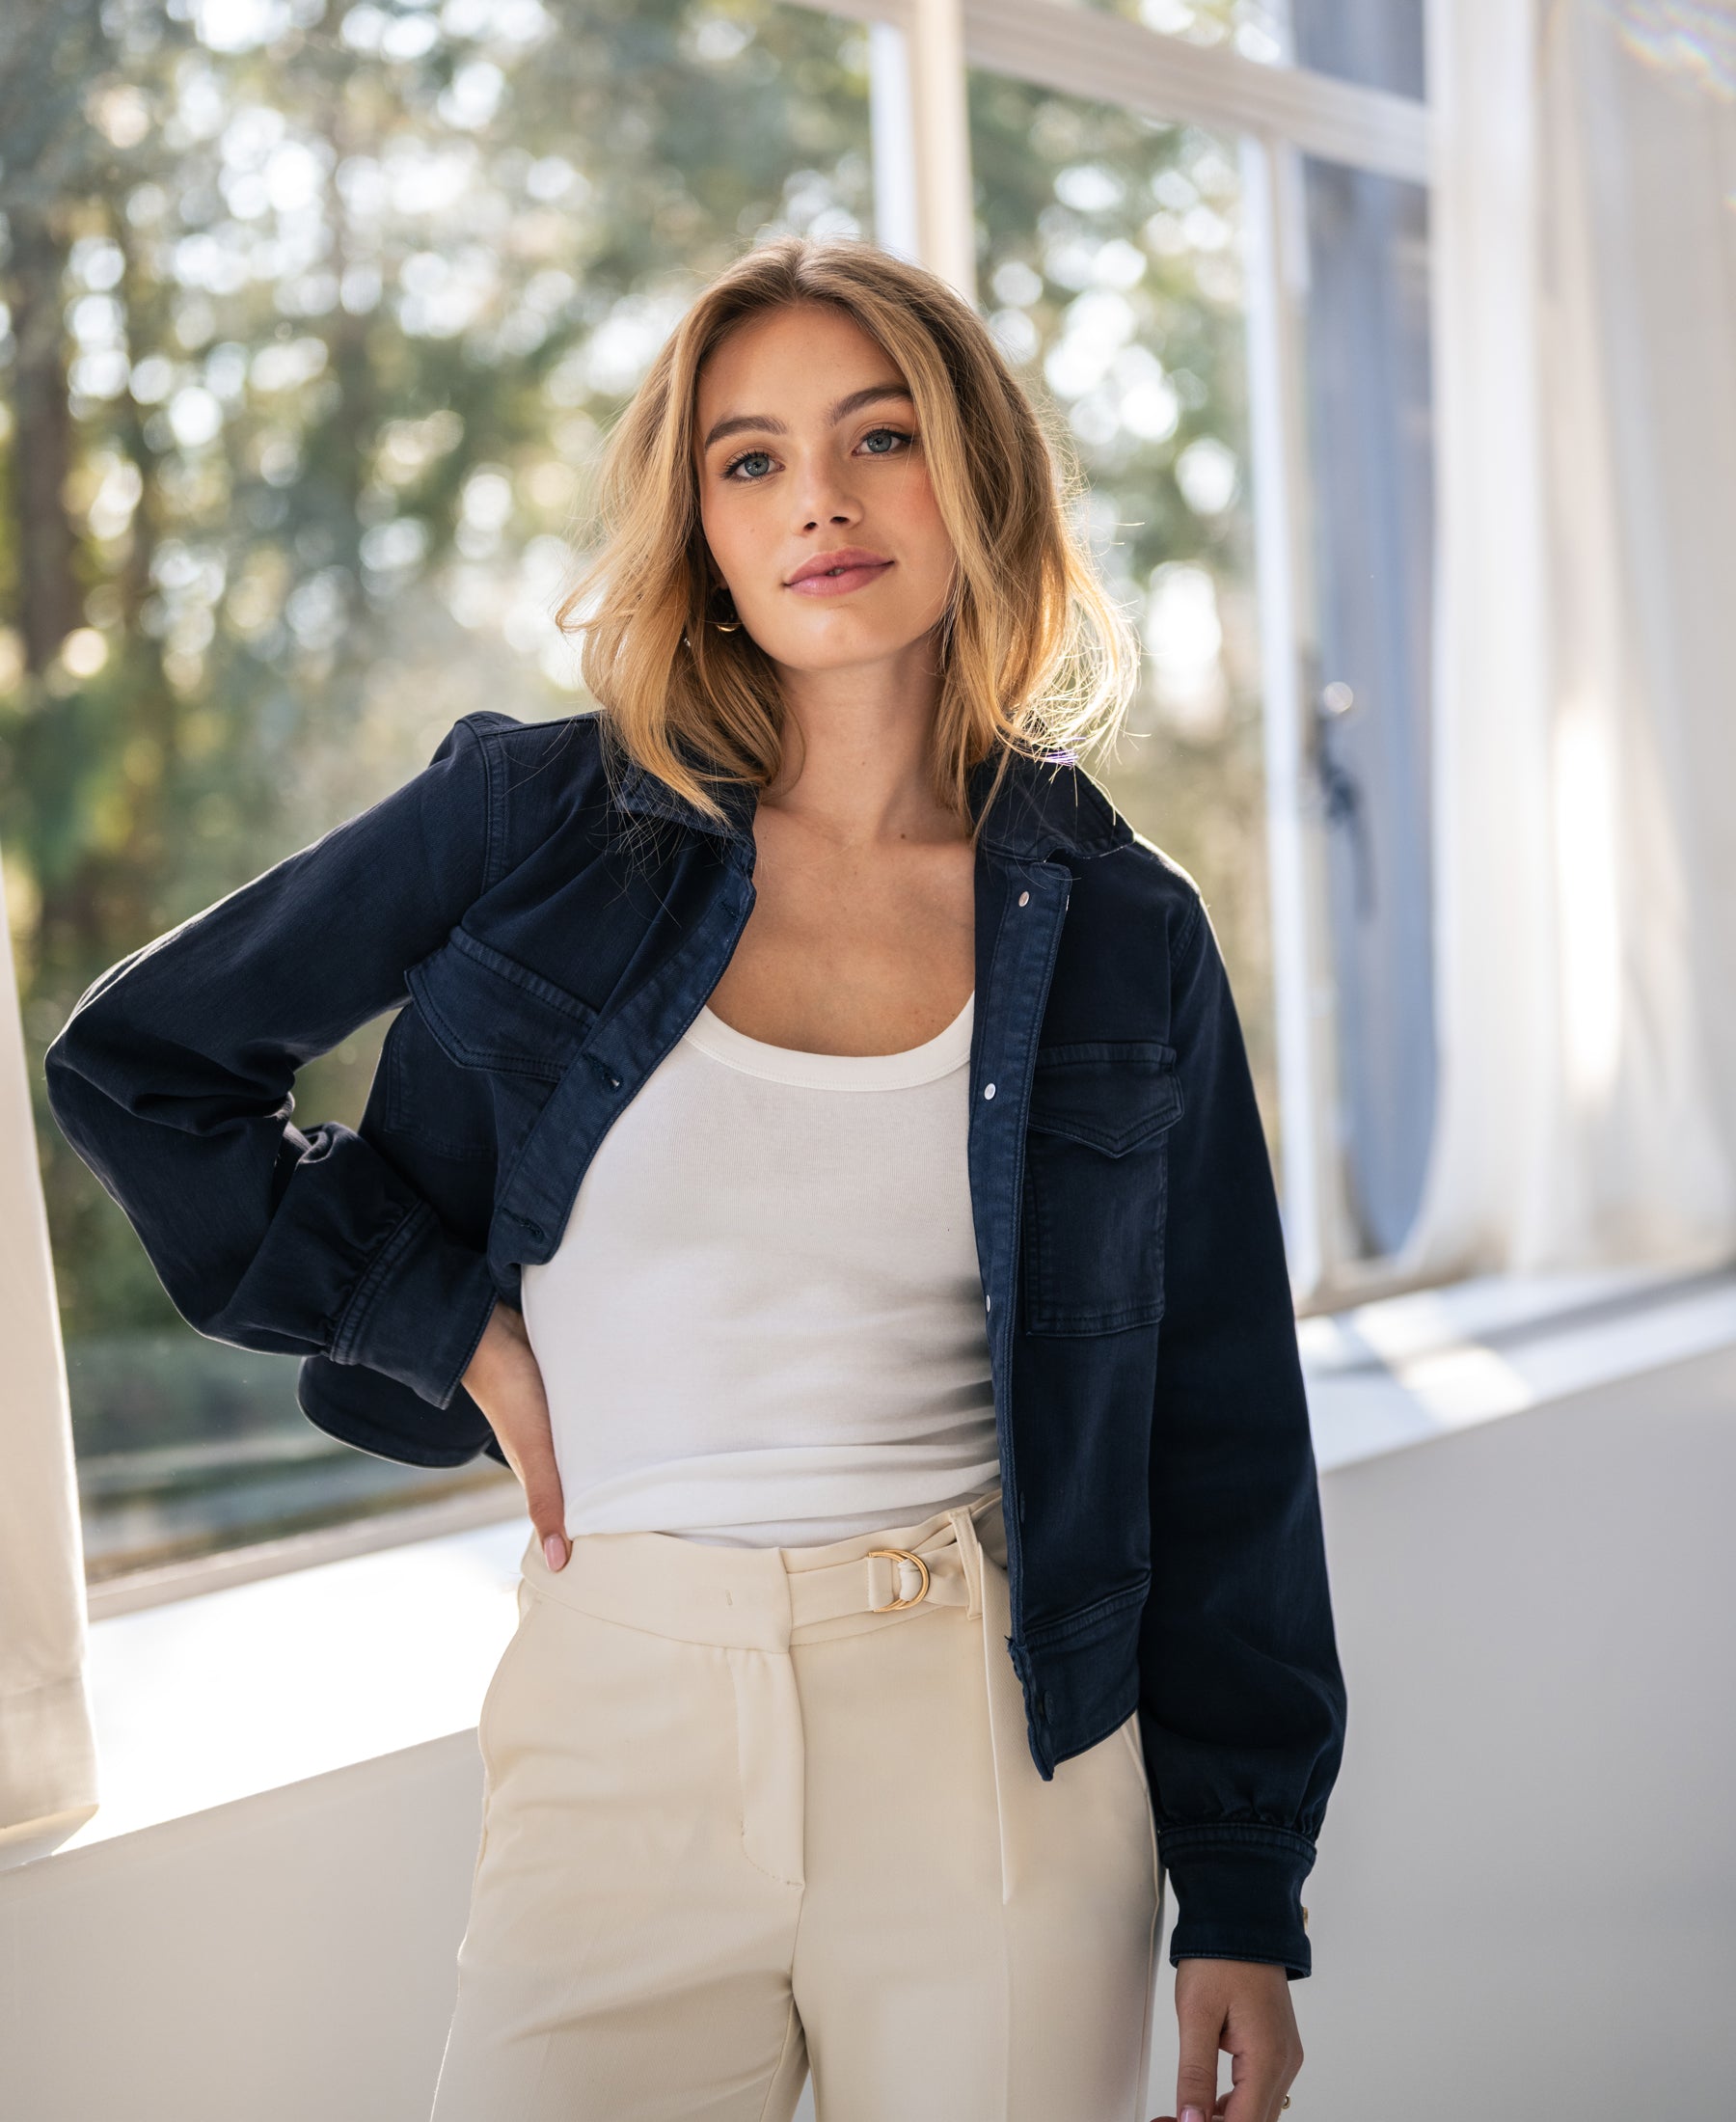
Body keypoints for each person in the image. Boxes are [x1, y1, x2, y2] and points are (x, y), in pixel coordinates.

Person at [44, 234, 1345, 2122]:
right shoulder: (544, 822)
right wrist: (438, 1323)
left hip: (997, 1742)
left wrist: (1246, 1887)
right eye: (749, 458)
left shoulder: (1128, 929)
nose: (817, 497)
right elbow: (142, 1066)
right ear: (702, 524)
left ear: (978, 473)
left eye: (877, 436)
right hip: (619, 1714)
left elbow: (1223, 1423)